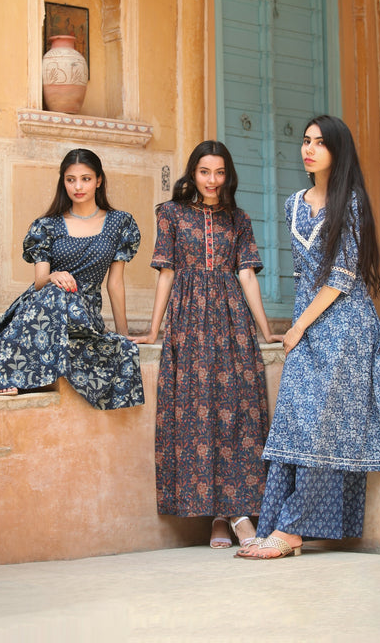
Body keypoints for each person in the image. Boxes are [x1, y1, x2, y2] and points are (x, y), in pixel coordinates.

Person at [237, 115, 380, 560]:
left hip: (344, 326)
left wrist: (297, 327)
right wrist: (299, 328)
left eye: (319, 143)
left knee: (320, 430)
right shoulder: (293, 203)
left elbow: (341, 278)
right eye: (305, 141)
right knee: (293, 424)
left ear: (337, 151)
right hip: (307, 327)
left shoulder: (351, 203)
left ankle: (291, 532)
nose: (308, 149)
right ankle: (276, 523)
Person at [131, 140, 281, 549]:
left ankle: (234, 513)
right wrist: (153, 330)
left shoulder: (239, 218)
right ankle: (221, 517)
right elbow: (166, 273)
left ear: (227, 175)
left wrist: (265, 331)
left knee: (237, 411)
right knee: (199, 414)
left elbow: (248, 275)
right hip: (188, 320)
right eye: (204, 172)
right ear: (192, 173)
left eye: (219, 173)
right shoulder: (172, 214)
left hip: (231, 320)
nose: (212, 181)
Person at [0, 149, 144, 411]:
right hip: (44, 302)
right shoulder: (46, 226)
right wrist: (54, 275)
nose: (78, 186)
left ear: (99, 180)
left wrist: (123, 334)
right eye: (70, 179)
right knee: (55, 292)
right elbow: (41, 280)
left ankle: (10, 372)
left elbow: (115, 283)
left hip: (84, 309)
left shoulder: (119, 223)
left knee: (63, 295)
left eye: (86, 179)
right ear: (62, 182)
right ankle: (5, 374)